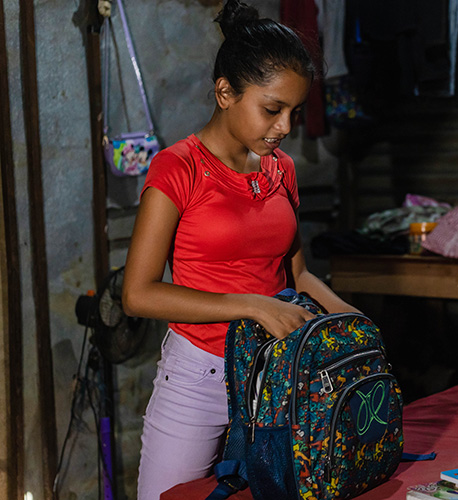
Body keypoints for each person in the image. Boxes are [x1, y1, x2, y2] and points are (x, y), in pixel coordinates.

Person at [121, 2, 360, 498]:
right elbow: (138, 294)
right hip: (199, 376)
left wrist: (350, 323)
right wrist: (251, 306)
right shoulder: (177, 168)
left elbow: (298, 274)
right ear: (225, 91)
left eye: (294, 113)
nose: (284, 127)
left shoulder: (281, 171)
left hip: (277, 373)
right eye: (272, 109)